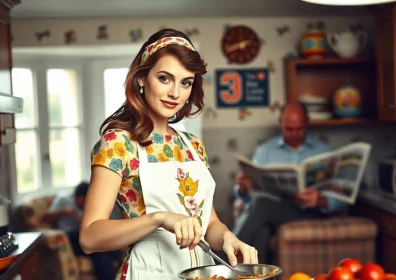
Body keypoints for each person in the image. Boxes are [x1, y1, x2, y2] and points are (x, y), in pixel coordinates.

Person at [79, 28, 258, 280]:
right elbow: (89, 237)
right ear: (142, 78)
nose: (176, 93)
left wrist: (228, 236)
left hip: (202, 274)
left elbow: (208, 224)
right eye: (165, 78)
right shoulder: (118, 143)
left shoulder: (193, 145)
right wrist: (159, 219)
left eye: (186, 82)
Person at [232, 101, 348, 264]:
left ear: (307, 123)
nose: (294, 134)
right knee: (262, 230)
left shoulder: (324, 152)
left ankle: (222, 261)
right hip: (274, 213)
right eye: (289, 129)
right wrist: (243, 189)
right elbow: (249, 199)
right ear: (280, 124)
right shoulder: (265, 151)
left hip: (310, 214)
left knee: (262, 207)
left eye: (299, 129)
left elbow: (343, 198)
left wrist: (321, 200)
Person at [45, 182, 122, 280]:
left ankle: (118, 258)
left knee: (98, 248)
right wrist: (63, 212)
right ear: (78, 197)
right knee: (94, 243)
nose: (86, 203)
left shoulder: (90, 204)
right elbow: (45, 217)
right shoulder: (63, 199)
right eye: (84, 200)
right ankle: (117, 256)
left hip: (84, 238)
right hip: (68, 238)